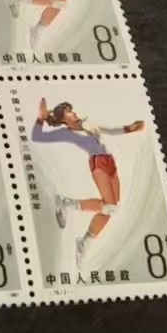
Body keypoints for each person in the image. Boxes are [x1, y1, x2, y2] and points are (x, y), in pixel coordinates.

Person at [31, 98, 146, 266]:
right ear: (62, 118)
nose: (73, 112)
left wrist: (129, 128)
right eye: (68, 111)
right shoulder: (66, 133)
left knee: (111, 210)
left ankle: (83, 242)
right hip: (97, 162)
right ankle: (66, 204)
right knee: (110, 207)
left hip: (109, 161)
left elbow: (108, 129)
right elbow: (37, 136)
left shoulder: (87, 122)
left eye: (71, 109)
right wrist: (41, 118)